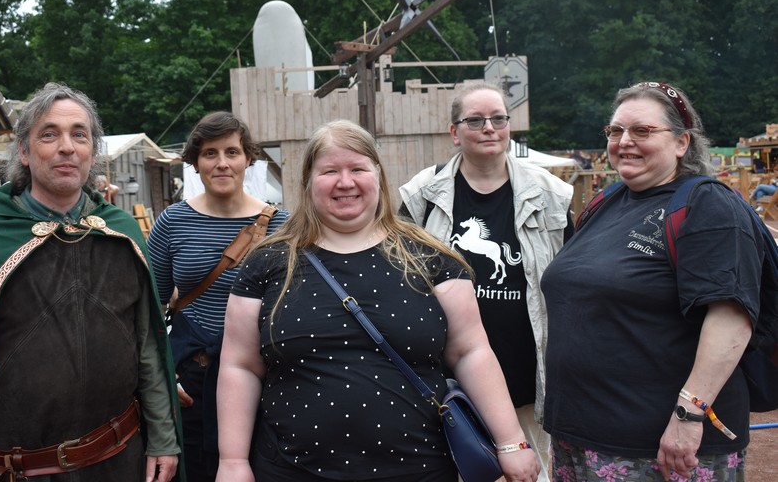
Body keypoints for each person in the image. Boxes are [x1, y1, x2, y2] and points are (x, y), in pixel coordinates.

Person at [216, 119, 540, 482]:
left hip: (420, 470)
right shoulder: (267, 262)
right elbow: (240, 366)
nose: (345, 182)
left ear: (378, 176)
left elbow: (471, 352)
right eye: (330, 171)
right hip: (290, 470)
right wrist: (232, 461)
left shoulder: (431, 257)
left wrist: (511, 441)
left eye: (358, 169)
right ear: (308, 181)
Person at [0, 83, 183, 482]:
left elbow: (148, 348)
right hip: (20, 472)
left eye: (79, 135)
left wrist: (163, 439)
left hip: (121, 460)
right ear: (24, 151)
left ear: (92, 152)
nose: (66, 147)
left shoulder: (121, 235)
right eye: (49, 134)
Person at [541, 81, 762, 481]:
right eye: (615, 131)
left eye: (642, 131)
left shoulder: (708, 205)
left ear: (681, 142)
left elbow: (731, 318)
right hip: (580, 433)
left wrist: (688, 415)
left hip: (658, 445)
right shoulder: (605, 201)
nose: (624, 141)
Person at [399, 82, 573, 482]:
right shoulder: (422, 195)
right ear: (454, 132)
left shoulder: (551, 195)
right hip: (445, 387)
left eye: (498, 118)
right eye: (475, 120)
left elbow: (570, 284)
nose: (489, 128)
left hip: (527, 379)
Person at [147, 111, 288, 482]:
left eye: (231, 152)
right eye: (210, 153)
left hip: (262, 378)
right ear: (195, 162)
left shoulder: (281, 225)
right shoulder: (172, 222)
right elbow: (148, 309)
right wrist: (162, 374)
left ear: (248, 158)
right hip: (192, 379)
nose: (222, 163)